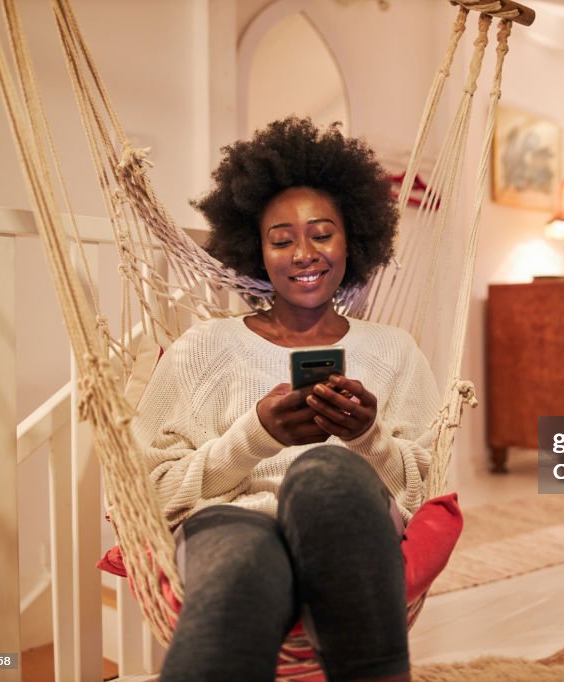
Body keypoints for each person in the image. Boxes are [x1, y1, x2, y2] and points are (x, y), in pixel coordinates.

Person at [132, 117, 440, 681]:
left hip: (348, 525)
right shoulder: (204, 347)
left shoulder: (395, 351)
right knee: (242, 559)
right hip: (228, 524)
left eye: (322, 233)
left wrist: (367, 439)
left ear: (353, 240)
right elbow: (150, 492)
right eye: (281, 239)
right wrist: (256, 437)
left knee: (325, 472)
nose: (304, 253)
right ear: (256, 248)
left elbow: (426, 494)